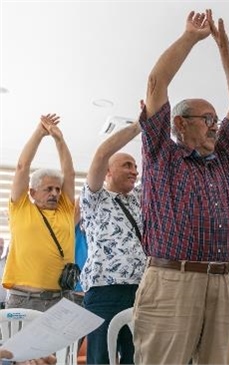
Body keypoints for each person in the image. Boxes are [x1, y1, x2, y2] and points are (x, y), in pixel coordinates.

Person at [133, 9, 229, 364]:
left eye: (216, 120)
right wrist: (190, 37)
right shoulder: (161, 153)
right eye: (208, 120)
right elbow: (157, 82)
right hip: (172, 280)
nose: (216, 126)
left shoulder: (224, 161)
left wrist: (225, 50)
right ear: (180, 124)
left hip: (222, 282)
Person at [80, 112, 145, 364]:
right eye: (127, 165)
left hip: (140, 291)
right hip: (103, 292)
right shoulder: (94, 198)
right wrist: (139, 126)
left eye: (135, 167)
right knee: (101, 359)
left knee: (136, 358)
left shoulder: (139, 199)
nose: (134, 171)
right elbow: (100, 154)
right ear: (108, 171)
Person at [3, 114, 75, 311]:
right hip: (24, 300)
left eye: (57, 189)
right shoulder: (21, 207)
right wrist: (39, 133)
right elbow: (21, 167)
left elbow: (69, 174)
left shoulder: (65, 209)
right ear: (33, 192)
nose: (55, 193)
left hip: (62, 299)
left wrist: (59, 139)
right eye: (48, 189)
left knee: (62, 344)